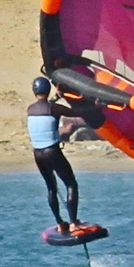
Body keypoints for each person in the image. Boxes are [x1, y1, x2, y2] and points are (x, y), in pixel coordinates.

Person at [27, 77, 103, 235]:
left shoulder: (30, 109)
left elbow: (45, 108)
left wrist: (56, 98)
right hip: (52, 152)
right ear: (48, 90)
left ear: (34, 91)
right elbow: (77, 112)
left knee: (51, 188)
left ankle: (60, 223)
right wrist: (95, 106)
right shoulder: (54, 109)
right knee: (71, 184)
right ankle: (74, 223)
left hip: (38, 154)